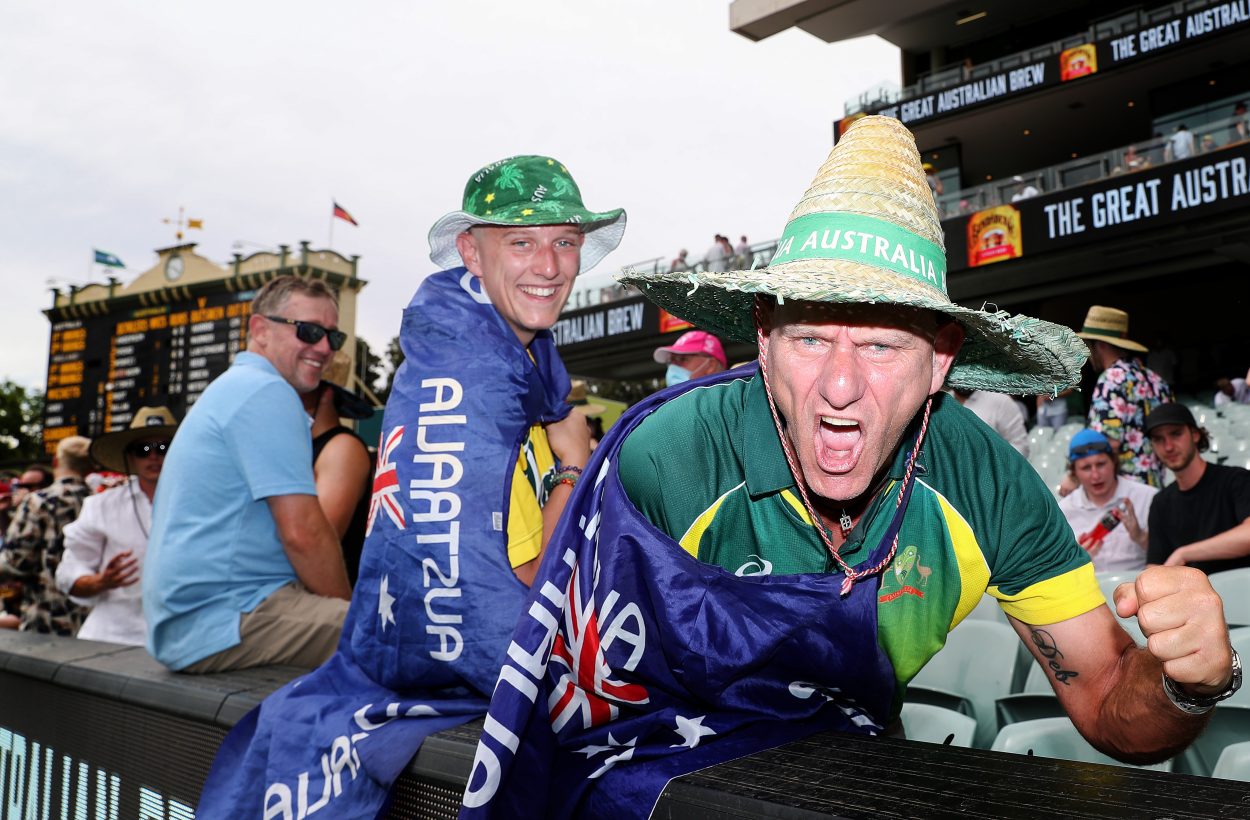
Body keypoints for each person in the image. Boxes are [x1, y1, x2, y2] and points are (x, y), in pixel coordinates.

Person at [464, 118, 1238, 819]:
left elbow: (1109, 707)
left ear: (940, 361)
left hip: (849, 785)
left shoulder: (987, 485)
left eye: (881, 344)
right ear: (762, 341)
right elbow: (560, 691)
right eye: (810, 340)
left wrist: (1185, 681)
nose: (839, 388)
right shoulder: (674, 457)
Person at [194, 155, 627, 819]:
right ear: (469, 253)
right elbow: (523, 604)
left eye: (564, 242)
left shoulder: (484, 365)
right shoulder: (483, 395)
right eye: (521, 241)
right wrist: (573, 470)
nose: (549, 265)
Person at [144, 276, 352, 673]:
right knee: (397, 634)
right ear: (260, 330)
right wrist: (348, 612)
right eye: (309, 332)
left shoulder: (237, 387)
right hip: (223, 618)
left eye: (333, 337)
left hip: (201, 620)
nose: (324, 348)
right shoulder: (266, 392)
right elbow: (303, 533)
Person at [55, 407, 177, 645]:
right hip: (114, 637)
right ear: (130, 457)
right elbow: (70, 572)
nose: (153, 456)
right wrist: (101, 581)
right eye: (143, 450)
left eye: (163, 448)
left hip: (183, 638)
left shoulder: (203, 503)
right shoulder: (100, 506)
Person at [0, 437, 92, 635]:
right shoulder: (99, 500)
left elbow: (18, 561)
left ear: (56, 462)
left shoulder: (39, 501)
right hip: (92, 616)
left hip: (48, 615)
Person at [1146, 403, 1250, 574]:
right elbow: (1155, 567)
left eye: (1176, 434)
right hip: (1190, 599)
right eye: (1158, 439)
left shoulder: (1236, 479)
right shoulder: (1160, 503)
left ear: (1194, 434)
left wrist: (1184, 553)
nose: (1168, 446)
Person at [1077, 306, 1173, 488]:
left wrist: (1074, 478)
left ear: (1101, 345)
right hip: (1156, 487)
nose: (1087, 354)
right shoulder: (1155, 379)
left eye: (1089, 346)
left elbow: (1107, 441)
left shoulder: (1112, 379)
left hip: (1126, 492)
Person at [303, 354, 373, 586]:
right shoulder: (301, 447)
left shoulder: (342, 449)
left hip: (329, 601)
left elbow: (319, 542)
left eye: (301, 390)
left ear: (326, 394)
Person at [1058, 429, 1156, 574]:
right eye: (1086, 468)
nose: (1095, 475)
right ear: (1074, 473)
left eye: (1101, 464)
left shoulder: (1148, 497)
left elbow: (1169, 557)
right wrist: (1076, 561)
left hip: (1138, 585)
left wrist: (1140, 537)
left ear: (1114, 462)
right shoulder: (1063, 511)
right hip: (1090, 590)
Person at [950, 387, 1029, 457]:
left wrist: (995, 469)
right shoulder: (941, 400)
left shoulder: (1000, 401)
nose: (963, 376)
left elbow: (1020, 446)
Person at [654, 329, 728, 387]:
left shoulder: (734, 400)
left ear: (711, 366)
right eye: (671, 360)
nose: (673, 367)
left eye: (682, 359)